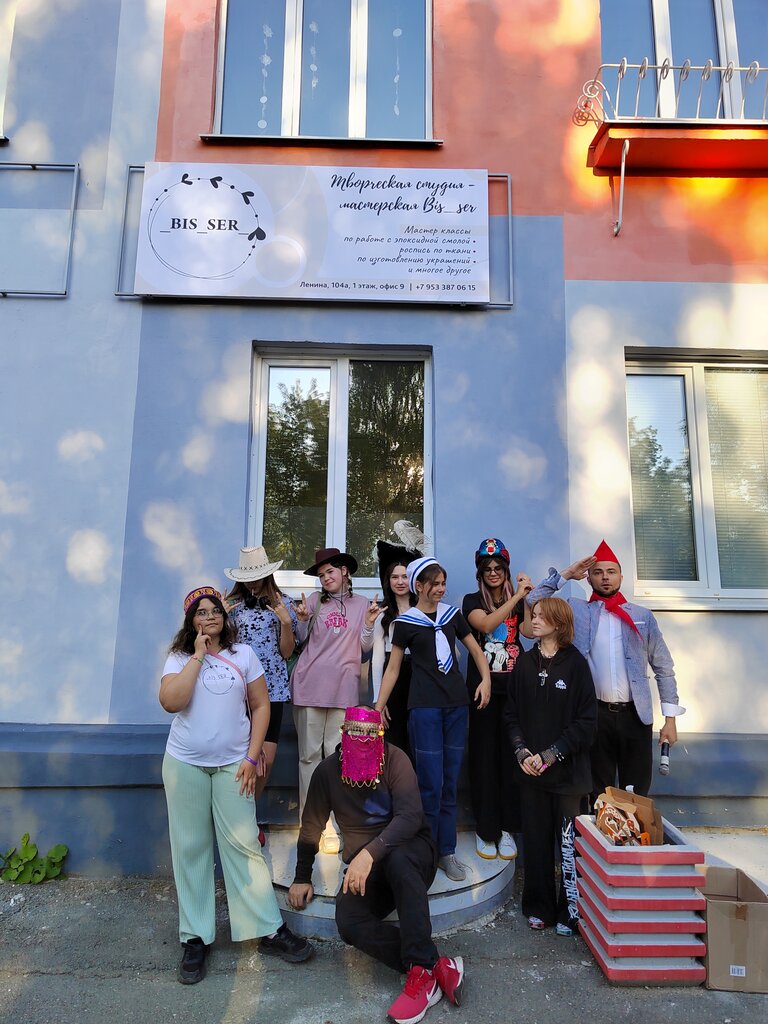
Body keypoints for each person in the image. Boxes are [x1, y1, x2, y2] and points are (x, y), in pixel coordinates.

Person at [159, 586, 312, 985]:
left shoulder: (243, 654)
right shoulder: (179, 658)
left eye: (215, 611)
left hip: (234, 766)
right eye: (200, 612)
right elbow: (171, 702)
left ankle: (267, 929)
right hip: (185, 765)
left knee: (244, 844)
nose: (209, 616)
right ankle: (195, 938)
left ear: (224, 618)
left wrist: (251, 756)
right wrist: (198, 655)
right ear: (190, 621)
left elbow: (261, 706)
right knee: (190, 848)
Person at [288, 706, 465, 1024]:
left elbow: (411, 817)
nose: (363, 740)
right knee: (348, 920)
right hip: (368, 868)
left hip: (410, 853)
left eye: (371, 734)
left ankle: (420, 976)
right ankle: (430, 965)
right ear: (343, 734)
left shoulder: (396, 759)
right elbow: (312, 825)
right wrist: (302, 876)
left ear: (381, 735)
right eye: (355, 733)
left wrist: (369, 854)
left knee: (398, 860)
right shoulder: (327, 772)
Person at [527, 540, 685, 799]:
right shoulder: (577, 610)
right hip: (594, 715)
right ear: (589, 578)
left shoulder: (642, 616)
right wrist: (567, 573)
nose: (605, 577)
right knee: (598, 792)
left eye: (611, 572)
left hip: (636, 716)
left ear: (621, 576)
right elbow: (534, 599)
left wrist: (670, 720)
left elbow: (664, 667)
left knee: (637, 792)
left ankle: (634, 828)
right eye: (598, 572)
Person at [375, 557, 491, 883]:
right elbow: (393, 669)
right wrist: (378, 706)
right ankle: (425, 852)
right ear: (419, 586)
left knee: (450, 782)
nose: (441, 589)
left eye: (443, 583)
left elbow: (476, 651)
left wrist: (485, 680)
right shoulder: (406, 623)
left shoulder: (452, 616)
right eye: (434, 583)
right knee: (430, 784)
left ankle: (446, 851)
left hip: (456, 705)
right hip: (424, 709)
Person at [505, 597, 597, 934]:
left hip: (568, 777)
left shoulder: (576, 665)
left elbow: (587, 723)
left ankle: (569, 911)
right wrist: (521, 752)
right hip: (531, 775)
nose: (534, 621)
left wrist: (551, 754)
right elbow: (511, 715)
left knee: (569, 846)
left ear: (558, 623)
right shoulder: (524, 664)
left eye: (542, 617)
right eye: (534, 615)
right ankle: (538, 907)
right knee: (536, 843)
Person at [291, 547, 382, 853]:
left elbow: (365, 648)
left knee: (337, 758)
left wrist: (369, 622)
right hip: (309, 686)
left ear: (345, 571)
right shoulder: (314, 601)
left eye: (330, 572)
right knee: (309, 758)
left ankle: (337, 823)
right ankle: (312, 824)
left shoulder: (362, 604)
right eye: (321, 575)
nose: (325, 578)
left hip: (344, 690)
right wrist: (301, 621)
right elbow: (300, 639)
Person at [462, 538, 534, 862]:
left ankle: (507, 828)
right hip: (484, 691)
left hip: (514, 690)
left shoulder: (517, 601)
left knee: (511, 760)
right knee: (484, 760)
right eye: (487, 568)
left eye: (499, 568)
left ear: (505, 570)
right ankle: (485, 828)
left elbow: (529, 631)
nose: (493, 572)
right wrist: (516, 596)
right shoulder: (472, 600)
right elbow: (488, 624)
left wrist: (525, 596)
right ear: (480, 572)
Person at [223, 546, 298, 812]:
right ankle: (236, 814)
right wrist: (221, 617)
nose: (251, 583)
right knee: (239, 756)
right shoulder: (232, 606)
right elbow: (222, 647)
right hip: (239, 688)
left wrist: (286, 623)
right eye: (247, 578)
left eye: (256, 577)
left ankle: (249, 814)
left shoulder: (284, 603)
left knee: (267, 758)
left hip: (272, 688)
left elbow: (286, 653)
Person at [371, 529, 424, 759]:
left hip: (420, 677)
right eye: (395, 577)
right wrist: (378, 700)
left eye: (404, 576)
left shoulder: (424, 611)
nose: (400, 582)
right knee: (394, 743)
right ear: (388, 580)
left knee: (420, 740)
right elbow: (377, 660)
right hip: (392, 679)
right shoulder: (382, 615)